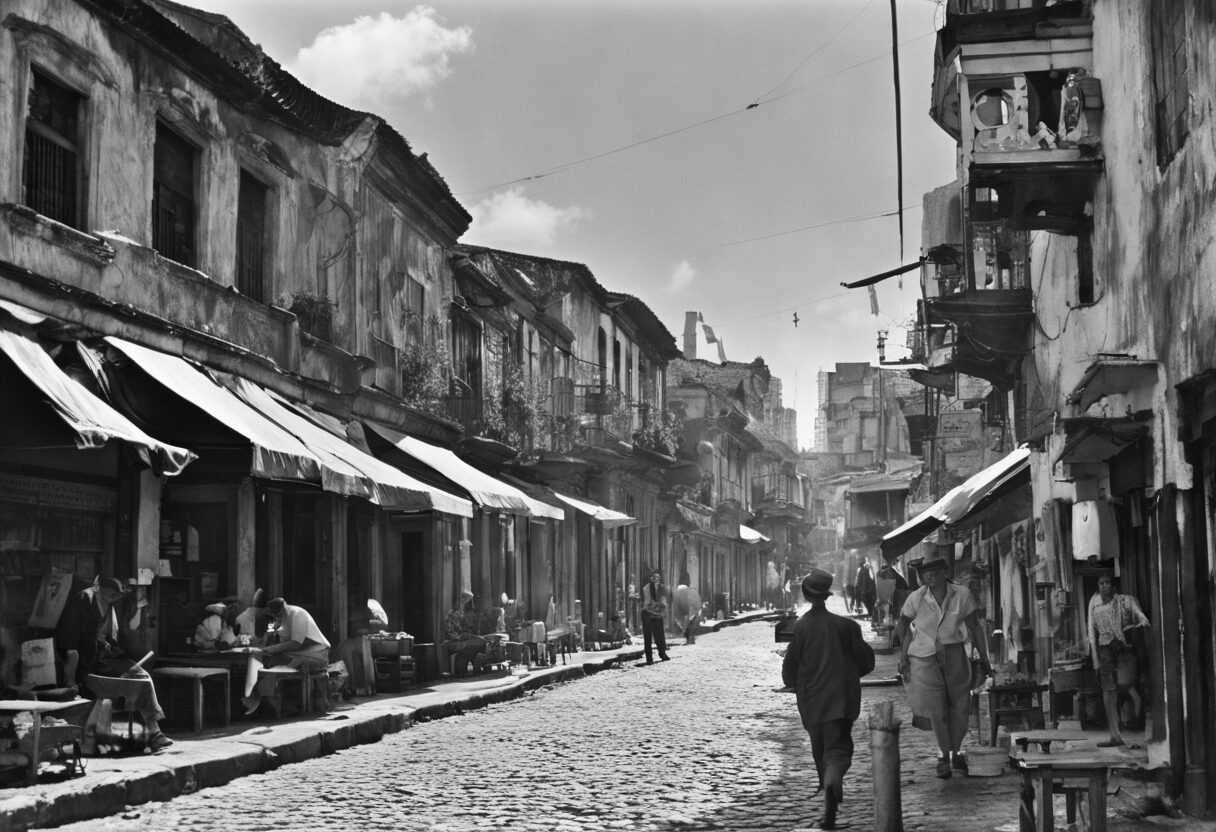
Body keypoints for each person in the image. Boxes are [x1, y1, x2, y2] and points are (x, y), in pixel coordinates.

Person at [781, 568, 875, 830]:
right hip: (841, 700)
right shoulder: (847, 627)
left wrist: (794, 683)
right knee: (839, 749)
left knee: (820, 751)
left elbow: (790, 670)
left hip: (812, 703)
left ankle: (829, 805)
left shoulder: (800, 628)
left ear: (807, 595)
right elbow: (866, 662)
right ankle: (833, 781)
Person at [896, 557, 992, 778]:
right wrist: (903, 656)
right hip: (924, 658)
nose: (928, 576)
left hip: (954, 653)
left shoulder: (962, 594)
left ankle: (955, 751)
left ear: (943, 572)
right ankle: (944, 756)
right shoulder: (916, 598)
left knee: (960, 706)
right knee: (937, 710)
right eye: (924, 573)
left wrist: (984, 658)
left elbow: (974, 627)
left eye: (933, 572)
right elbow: (902, 625)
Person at [55, 577, 173, 751]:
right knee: (140, 685)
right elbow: (71, 650)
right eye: (107, 597)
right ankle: (155, 734)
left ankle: (155, 733)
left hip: (106, 660)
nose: (110, 602)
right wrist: (70, 682)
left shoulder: (108, 605)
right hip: (88, 668)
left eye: (114, 598)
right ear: (98, 589)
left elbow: (105, 637)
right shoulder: (82, 601)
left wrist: (108, 646)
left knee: (143, 677)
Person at [1087, 574, 1150, 746]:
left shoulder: (1124, 601)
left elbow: (1143, 620)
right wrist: (1095, 662)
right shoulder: (1094, 604)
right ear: (1098, 586)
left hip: (1123, 650)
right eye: (1101, 583)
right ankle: (1115, 735)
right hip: (1105, 650)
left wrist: (1131, 629)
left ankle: (1132, 722)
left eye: (1107, 582)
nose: (1104, 586)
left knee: (1126, 685)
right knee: (1108, 692)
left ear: (1113, 586)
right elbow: (1092, 634)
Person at [242, 597, 331, 714]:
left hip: (318, 653)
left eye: (277, 615)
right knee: (264, 661)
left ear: (282, 610)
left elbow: (296, 643)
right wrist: (263, 643)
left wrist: (270, 649)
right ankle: (259, 699)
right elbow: (275, 639)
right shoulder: (280, 619)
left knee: (277, 666)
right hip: (298, 653)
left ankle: (269, 702)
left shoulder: (298, 614)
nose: (276, 619)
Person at [442, 591, 488, 676]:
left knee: (482, 641)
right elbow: (454, 634)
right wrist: (465, 635)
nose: (464, 605)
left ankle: (475, 665)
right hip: (454, 640)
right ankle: (461, 668)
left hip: (462, 638)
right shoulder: (453, 615)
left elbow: (467, 627)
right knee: (473, 644)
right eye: (463, 602)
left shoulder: (462, 614)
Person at [639, 570, 670, 665]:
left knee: (660, 634)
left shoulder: (663, 588)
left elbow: (664, 601)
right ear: (651, 578)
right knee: (647, 636)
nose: (656, 580)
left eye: (658, 578)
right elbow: (647, 602)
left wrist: (662, 606)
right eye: (655, 577)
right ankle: (649, 658)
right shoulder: (646, 588)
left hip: (658, 613)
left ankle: (662, 653)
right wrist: (657, 605)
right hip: (647, 613)